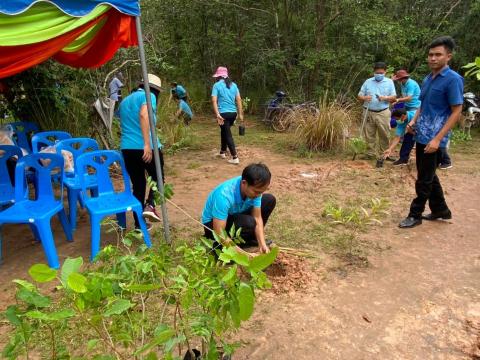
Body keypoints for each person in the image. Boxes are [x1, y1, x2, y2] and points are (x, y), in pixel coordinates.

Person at [399, 36, 464, 228]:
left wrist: (438, 139)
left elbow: (456, 111)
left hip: (435, 138)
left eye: (438, 55)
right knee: (427, 174)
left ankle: (415, 214)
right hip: (421, 134)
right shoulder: (428, 78)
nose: (433, 58)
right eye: (430, 55)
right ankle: (440, 209)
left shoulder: (453, 80)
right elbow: (422, 105)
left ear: (448, 56)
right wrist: (413, 122)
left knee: (424, 179)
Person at [119, 73, 165, 229]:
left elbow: (125, 121)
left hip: (127, 149)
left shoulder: (125, 101)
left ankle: (139, 224)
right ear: (155, 89)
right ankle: (150, 205)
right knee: (158, 178)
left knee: (138, 185)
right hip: (146, 147)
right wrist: (147, 144)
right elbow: (144, 115)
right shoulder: (148, 95)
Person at [201, 163, 276, 254]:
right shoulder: (224, 195)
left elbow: (257, 217)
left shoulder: (255, 190)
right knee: (249, 222)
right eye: (256, 191)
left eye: (261, 192)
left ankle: (250, 240)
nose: (258, 195)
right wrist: (245, 255)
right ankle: (220, 248)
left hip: (234, 214)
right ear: (244, 183)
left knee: (269, 200)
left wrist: (262, 243)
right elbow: (219, 233)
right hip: (213, 226)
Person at [358, 62, 397, 162]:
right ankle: (370, 153)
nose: (378, 74)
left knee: (384, 133)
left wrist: (385, 98)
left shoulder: (389, 82)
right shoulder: (368, 82)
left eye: (381, 72)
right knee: (369, 133)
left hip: (383, 112)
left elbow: (394, 97)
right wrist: (365, 97)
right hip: (368, 111)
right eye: (377, 72)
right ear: (374, 72)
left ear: (385, 72)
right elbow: (359, 96)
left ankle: (384, 154)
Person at [211, 66, 243, 165]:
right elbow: (238, 99)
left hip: (223, 114)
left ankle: (235, 157)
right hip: (233, 113)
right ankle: (222, 151)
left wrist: (217, 114)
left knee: (227, 134)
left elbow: (214, 100)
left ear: (218, 76)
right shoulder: (233, 85)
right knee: (224, 131)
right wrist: (240, 113)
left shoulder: (216, 85)